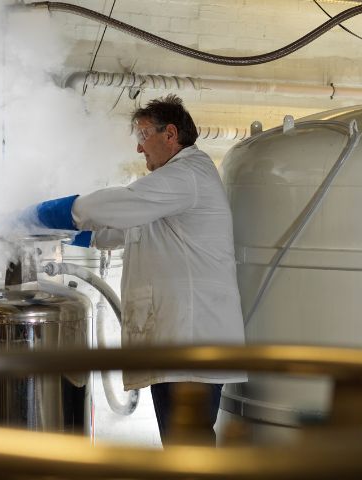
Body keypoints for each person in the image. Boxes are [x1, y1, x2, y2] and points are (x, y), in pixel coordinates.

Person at [26, 94, 246, 446]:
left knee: (188, 450)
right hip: (175, 343)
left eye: (143, 135)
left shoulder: (187, 174)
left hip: (191, 340)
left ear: (170, 134)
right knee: (179, 448)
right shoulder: (171, 190)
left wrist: (41, 215)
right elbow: (116, 231)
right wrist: (59, 232)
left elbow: (121, 203)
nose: (139, 148)